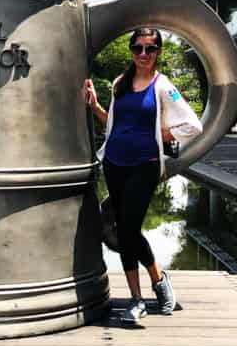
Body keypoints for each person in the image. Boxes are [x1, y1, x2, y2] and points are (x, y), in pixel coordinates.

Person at [82, 28, 203, 325]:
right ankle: (141, 295)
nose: (144, 54)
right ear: (132, 51)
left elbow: (193, 126)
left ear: (158, 51)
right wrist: (95, 106)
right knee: (125, 231)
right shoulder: (120, 83)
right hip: (114, 163)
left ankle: (154, 285)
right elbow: (113, 124)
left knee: (129, 228)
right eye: (138, 49)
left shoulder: (163, 87)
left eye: (150, 49)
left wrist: (164, 133)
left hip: (144, 164)